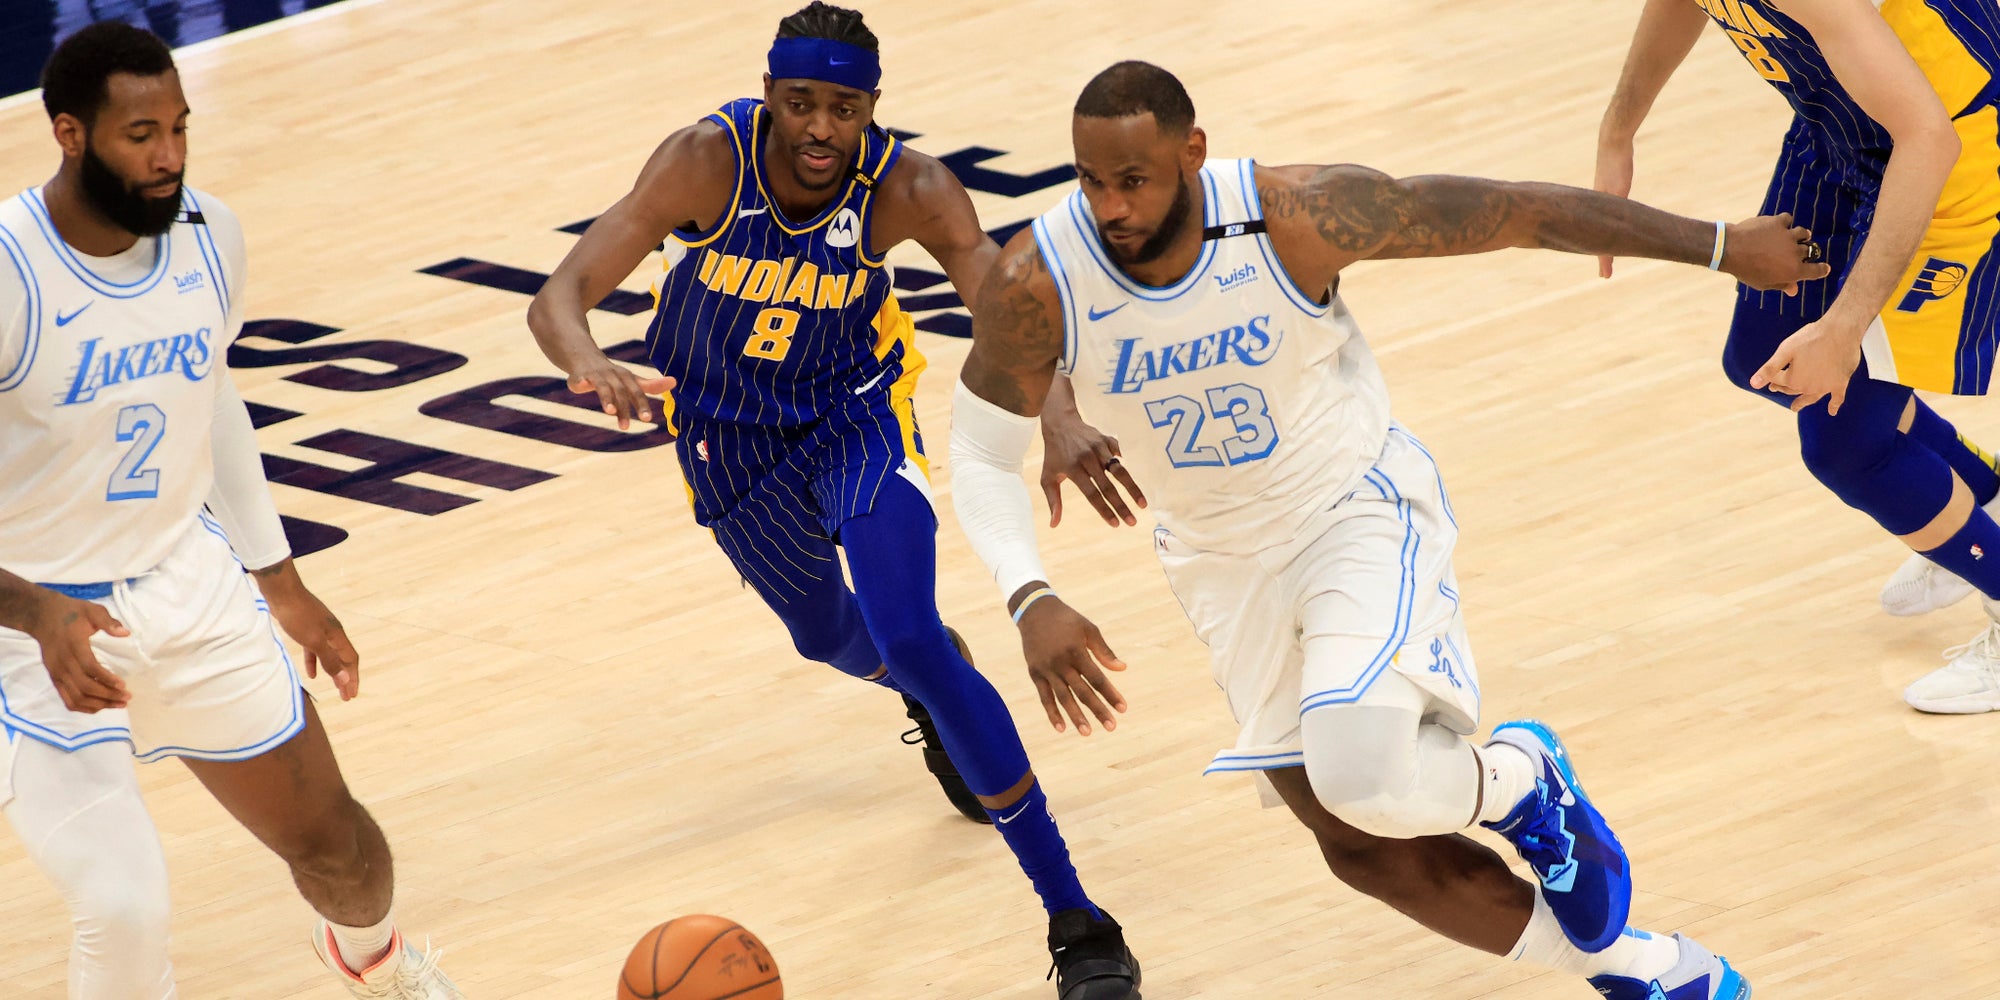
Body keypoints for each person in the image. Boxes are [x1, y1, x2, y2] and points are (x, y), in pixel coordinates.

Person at [952, 61, 1826, 1000]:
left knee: (1360, 775)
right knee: (1361, 849)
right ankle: (1642, 970)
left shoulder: (1295, 217)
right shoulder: (1038, 279)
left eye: (1134, 180)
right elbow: (978, 452)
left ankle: (1520, 780)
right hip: (1218, 561)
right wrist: (1027, 591)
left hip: (1348, 512)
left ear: (1191, 155)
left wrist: (1720, 246)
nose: (1111, 206)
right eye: (1091, 180)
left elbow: (1514, 211)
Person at [524, 5, 1139, 997]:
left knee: (908, 628)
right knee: (827, 638)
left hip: (851, 413)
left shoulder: (911, 187)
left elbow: (1003, 305)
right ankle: (926, 693)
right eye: (800, 103)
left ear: (871, 111)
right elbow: (557, 296)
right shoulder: (702, 163)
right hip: (726, 437)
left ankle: (1077, 921)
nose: (819, 127)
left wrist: (1058, 417)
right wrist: (588, 357)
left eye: (842, 109)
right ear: (768, 97)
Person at [0, 22, 462, 1000]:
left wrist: (282, 581)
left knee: (346, 852)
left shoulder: (210, 235)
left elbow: (209, 397)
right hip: (32, 626)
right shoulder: (10, 274)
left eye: (178, 127)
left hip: (185, 584)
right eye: (140, 134)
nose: (167, 154)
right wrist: (37, 612)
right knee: (125, 906)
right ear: (71, 135)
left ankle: (371, 959)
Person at [1595, 0, 2000, 713]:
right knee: (1760, 351)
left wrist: (1844, 331)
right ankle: (1977, 501)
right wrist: (1619, 128)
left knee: (1848, 444)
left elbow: (1929, 139)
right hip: (1842, 125)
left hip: (1952, 141)